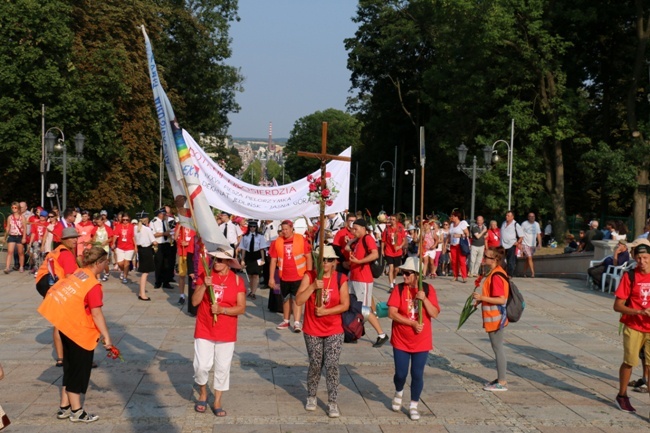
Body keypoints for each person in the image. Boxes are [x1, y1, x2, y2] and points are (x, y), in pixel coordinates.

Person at [38, 246, 114, 423]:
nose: (107, 266)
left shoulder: (80, 273)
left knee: (70, 367)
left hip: (65, 326)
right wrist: (107, 336)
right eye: (106, 262)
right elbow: (96, 313)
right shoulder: (93, 285)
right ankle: (77, 411)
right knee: (78, 372)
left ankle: (64, 407)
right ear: (99, 263)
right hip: (79, 331)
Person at [295, 245, 350, 418]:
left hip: (334, 328)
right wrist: (312, 287)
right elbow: (298, 300)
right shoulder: (309, 275)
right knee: (316, 363)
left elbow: (345, 304)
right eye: (322, 259)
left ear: (335, 262)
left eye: (329, 260)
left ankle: (332, 401)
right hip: (312, 329)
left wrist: (326, 311)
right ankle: (311, 395)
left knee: (332, 364)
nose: (325, 263)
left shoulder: (341, 278)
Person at [191, 247, 246, 417]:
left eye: (221, 260)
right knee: (201, 366)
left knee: (222, 367)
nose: (217, 262)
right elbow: (194, 302)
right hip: (205, 327)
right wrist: (203, 286)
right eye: (215, 259)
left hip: (226, 330)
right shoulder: (206, 276)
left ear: (229, 263)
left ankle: (217, 400)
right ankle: (203, 392)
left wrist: (222, 310)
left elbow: (241, 308)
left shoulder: (237, 281)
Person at [387, 257, 440, 421]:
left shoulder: (428, 289)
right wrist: (410, 322)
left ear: (417, 275)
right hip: (401, 339)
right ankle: (398, 391)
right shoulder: (399, 289)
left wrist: (424, 299)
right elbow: (391, 313)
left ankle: (414, 405)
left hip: (421, 341)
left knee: (417, 374)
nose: (404, 276)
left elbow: (435, 313)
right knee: (401, 374)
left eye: (408, 273)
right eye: (403, 273)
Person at [613, 238, 650, 414]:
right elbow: (617, 306)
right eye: (639, 258)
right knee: (630, 362)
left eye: (646, 257)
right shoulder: (630, 276)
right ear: (634, 257)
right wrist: (639, 312)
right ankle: (622, 395)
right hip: (634, 325)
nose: (642, 261)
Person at [35, 227, 81, 367]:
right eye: (72, 238)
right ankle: (75, 356)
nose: (75, 240)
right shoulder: (66, 254)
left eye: (76, 237)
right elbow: (69, 277)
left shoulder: (56, 251)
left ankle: (60, 357)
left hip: (47, 287)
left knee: (58, 323)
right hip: (60, 289)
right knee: (70, 323)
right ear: (64, 240)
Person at [472, 246, 510, 392]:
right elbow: (493, 296)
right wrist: (482, 300)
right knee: (497, 348)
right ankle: (500, 378)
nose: (484, 259)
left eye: (487, 257)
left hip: (496, 319)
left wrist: (482, 297)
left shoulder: (496, 275)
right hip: (494, 318)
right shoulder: (494, 273)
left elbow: (501, 299)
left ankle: (502, 381)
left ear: (495, 259)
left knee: (498, 348)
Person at [347, 219, 389, 347]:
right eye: (353, 228)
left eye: (356, 228)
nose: (354, 231)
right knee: (354, 306)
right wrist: (353, 239)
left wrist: (360, 262)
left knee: (364, 309)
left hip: (363, 278)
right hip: (354, 277)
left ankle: (381, 334)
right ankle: (355, 331)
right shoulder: (358, 240)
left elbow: (375, 254)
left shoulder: (368, 238)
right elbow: (346, 247)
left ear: (364, 228)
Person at [268, 220, 313, 332]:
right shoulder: (277, 242)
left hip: (299, 275)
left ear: (292, 228)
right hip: (284, 275)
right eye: (283, 229)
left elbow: (308, 257)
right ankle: (286, 320)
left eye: (287, 229)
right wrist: (271, 277)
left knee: (297, 298)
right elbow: (273, 261)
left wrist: (310, 274)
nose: (285, 231)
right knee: (286, 298)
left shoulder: (301, 239)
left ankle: (297, 322)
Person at [239, 220, 268, 300]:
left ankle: (253, 292)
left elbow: (262, 248)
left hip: (257, 255)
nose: (252, 228)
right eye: (251, 226)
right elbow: (243, 249)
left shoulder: (260, 236)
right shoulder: (245, 236)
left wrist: (262, 259)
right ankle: (251, 290)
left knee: (256, 275)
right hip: (249, 255)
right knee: (250, 275)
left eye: (254, 227)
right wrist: (242, 259)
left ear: (256, 227)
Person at [134, 212, 157, 301]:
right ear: (146, 219)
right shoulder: (147, 229)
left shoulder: (135, 228)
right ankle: (142, 294)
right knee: (145, 273)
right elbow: (153, 241)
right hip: (147, 250)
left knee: (144, 271)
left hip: (140, 249)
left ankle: (141, 292)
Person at [382, 214, 407, 292]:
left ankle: (394, 280)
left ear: (396, 220)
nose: (392, 221)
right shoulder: (387, 229)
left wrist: (400, 247)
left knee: (396, 269)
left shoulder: (400, 228)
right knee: (391, 268)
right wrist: (382, 250)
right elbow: (383, 240)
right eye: (391, 219)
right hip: (389, 251)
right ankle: (391, 286)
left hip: (398, 252)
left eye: (393, 219)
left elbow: (404, 240)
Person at [150, 208, 173, 289]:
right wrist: (164, 233)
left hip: (167, 244)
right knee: (158, 264)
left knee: (167, 264)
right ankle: (158, 282)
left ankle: (166, 282)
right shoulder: (153, 222)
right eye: (163, 214)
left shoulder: (166, 221)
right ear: (159, 214)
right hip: (159, 244)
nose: (165, 215)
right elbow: (153, 234)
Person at [175, 223, 196, 306]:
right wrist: (179, 227)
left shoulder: (194, 225)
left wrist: (188, 243)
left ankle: (193, 295)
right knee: (182, 275)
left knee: (193, 275)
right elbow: (175, 237)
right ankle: (182, 295)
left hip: (192, 253)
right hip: (182, 253)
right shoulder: (179, 225)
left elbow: (197, 239)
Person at [4, 201, 27, 273]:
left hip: (19, 236)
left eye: (15, 207)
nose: (14, 209)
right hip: (12, 236)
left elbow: (25, 228)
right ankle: (7, 267)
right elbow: (8, 227)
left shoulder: (22, 217)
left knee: (20, 252)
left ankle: (21, 266)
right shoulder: (10, 217)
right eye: (13, 207)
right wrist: (5, 236)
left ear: (18, 208)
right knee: (10, 252)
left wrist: (24, 237)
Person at [113, 214, 136, 284]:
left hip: (129, 247)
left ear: (129, 220)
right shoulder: (118, 226)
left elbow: (133, 237)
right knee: (120, 263)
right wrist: (113, 243)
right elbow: (115, 235)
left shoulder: (132, 227)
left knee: (126, 263)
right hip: (120, 247)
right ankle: (123, 271)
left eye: (127, 220)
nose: (125, 221)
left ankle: (125, 277)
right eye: (123, 220)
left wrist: (136, 246)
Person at [90, 213, 114, 281]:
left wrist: (106, 242)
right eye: (97, 222)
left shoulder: (107, 228)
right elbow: (92, 238)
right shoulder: (95, 228)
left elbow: (111, 238)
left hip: (105, 247)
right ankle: (98, 278)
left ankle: (107, 272)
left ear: (103, 221)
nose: (98, 223)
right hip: (97, 247)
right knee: (97, 262)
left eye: (99, 222)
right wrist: (93, 240)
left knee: (104, 262)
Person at [448, 211, 470, 283]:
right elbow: (450, 234)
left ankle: (464, 276)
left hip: (460, 245)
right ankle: (455, 275)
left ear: (457, 217)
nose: (452, 217)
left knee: (461, 261)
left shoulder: (462, 224)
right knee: (454, 261)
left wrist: (459, 235)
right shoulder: (451, 225)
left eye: (453, 216)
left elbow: (467, 234)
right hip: (453, 245)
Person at [500, 211, 523, 278]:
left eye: (508, 216)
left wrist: (518, 243)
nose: (506, 217)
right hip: (502, 245)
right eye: (506, 215)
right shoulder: (503, 223)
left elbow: (521, 236)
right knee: (501, 259)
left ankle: (510, 274)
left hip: (511, 245)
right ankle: (502, 272)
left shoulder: (515, 224)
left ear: (512, 217)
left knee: (510, 260)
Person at [521, 212, 542, 278]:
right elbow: (521, 234)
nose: (532, 217)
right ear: (528, 217)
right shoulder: (524, 224)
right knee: (530, 257)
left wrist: (539, 243)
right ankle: (533, 273)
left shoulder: (536, 224)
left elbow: (538, 234)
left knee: (528, 259)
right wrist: (520, 243)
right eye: (530, 216)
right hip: (525, 243)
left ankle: (524, 272)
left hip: (533, 244)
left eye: (533, 216)